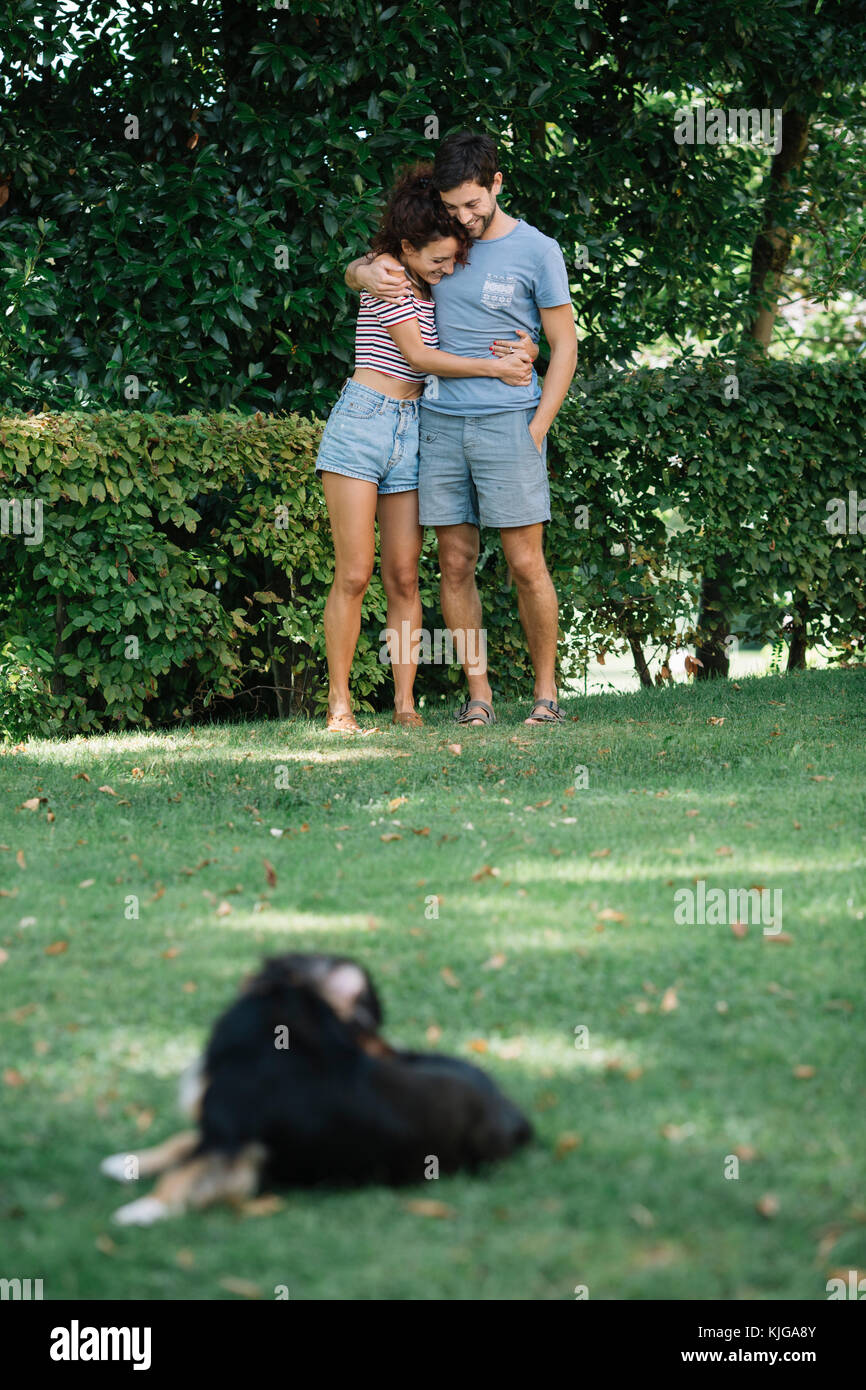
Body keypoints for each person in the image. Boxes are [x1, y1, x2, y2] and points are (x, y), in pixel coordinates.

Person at [346, 131, 578, 726]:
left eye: (474, 204)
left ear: (497, 184)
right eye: (454, 207)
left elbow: (563, 345)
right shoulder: (442, 241)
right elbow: (380, 264)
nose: (465, 219)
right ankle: (480, 697)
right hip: (438, 422)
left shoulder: (537, 250)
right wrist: (360, 271)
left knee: (526, 563)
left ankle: (546, 696)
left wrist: (538, 426)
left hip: (509, 423)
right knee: (454, 562)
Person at [318, 162, 537, 733]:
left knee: (405, 575)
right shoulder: (389, 274)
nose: (447, 269)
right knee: (354, 574)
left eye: (452, 259)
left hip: (413, 425)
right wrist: (496, 370)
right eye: (437, 260)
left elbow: (471, 325)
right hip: (363, 422)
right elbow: (417, 356)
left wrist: (522, 349)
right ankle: (339, 705)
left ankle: (405, 706)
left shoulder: (424, 279)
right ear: (407, 249)